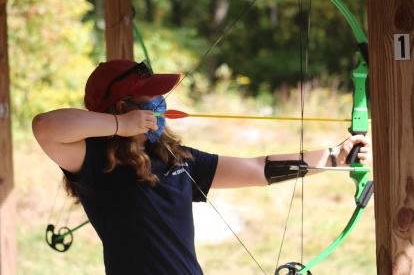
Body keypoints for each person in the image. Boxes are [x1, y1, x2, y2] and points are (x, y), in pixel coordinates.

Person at [32, 59, 370, 275]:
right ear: (122, 107)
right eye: (150, 99)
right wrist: (121, 125)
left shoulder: (174, 157)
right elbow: (45, 126)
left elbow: (257, 168)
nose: (160, 105)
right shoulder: (94, 163)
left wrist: (331, 157)